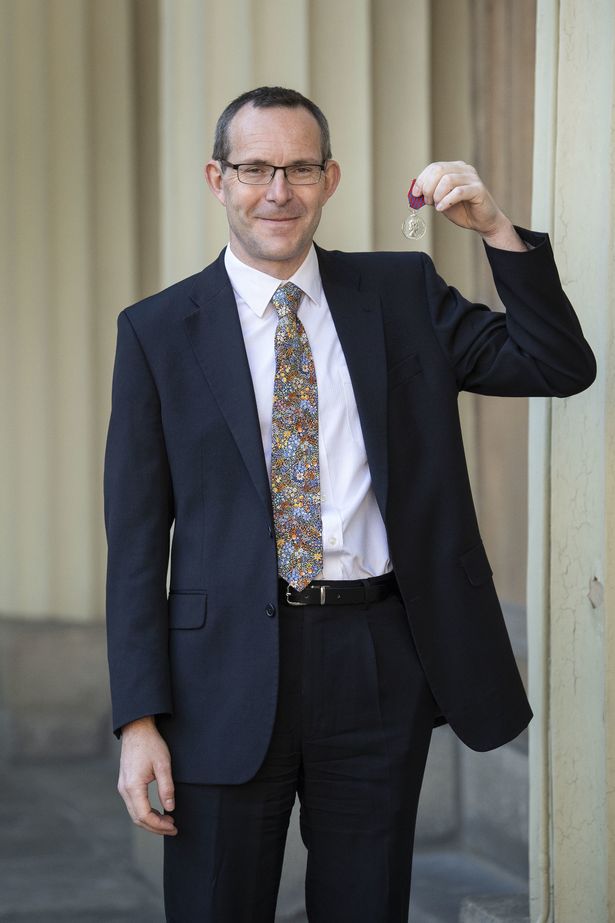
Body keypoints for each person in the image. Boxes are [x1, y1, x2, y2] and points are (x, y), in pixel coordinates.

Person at [104, 86, 595, 922]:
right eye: (254, 168)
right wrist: (138, 720)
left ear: (329, 178)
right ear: (216, 179)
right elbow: (138, 542)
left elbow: (556, 365)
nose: (277, 191)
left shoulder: (400, 294)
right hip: (219, 676)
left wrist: (495, 230)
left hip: (375, 660)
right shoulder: (157, 331)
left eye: (299, 167)